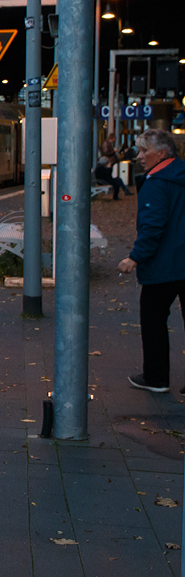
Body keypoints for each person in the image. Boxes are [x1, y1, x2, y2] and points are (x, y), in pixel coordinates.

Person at [117, 129, 185, 393]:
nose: (139, 156)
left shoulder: (157, 183)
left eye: (145, 150)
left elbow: (153, 226)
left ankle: (156, 377)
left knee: (153, 317)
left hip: (165, 264)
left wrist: (134, 258)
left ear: (162, 153)